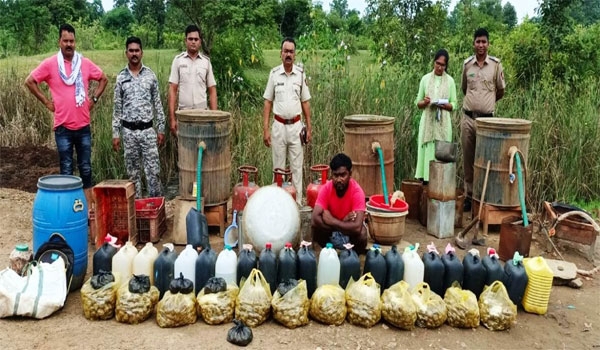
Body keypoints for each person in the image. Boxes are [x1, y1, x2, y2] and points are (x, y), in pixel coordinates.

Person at [25, 23, 108, 207]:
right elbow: (30, 81)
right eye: (65, 41)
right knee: (67, 172)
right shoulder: (50, 64)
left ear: (75, 42)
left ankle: (87, 212)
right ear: (59, 42)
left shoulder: (84, 63)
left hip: (83, 126)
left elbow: (103, 78)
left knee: (86, 169)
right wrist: (46, 102)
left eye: (71, 41)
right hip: (63, 128)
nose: (69, 44)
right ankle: (69, 211)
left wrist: (93, 99)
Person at [461, 28, 505, 245]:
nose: (480, 45)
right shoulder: (467, 65)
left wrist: (487, 106)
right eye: (477, 41)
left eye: (484, 42)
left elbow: (501, 90)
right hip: (468, 119)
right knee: (468, 158)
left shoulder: (495, 66)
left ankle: (483, 199)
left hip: (487, 121)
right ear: (473, 43)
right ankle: (469, 197)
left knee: (486, 161)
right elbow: (464, 89)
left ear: (488, 44)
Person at [112, 36, 166, 198]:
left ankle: (156, 211)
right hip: (129, 133)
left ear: (142, 53)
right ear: (126, 53)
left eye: (137, 50)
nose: (134, 54)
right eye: (131, 51)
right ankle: (136, 213)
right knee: (133, 175)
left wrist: (161, 128)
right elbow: (117, 108)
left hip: (148, 131)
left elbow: (157, 104)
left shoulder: (150, 76)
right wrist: (116, 133)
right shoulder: (121, 77)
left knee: (153, 173)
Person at [263, 37, 312, 206]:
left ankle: (297, 204)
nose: (288, 54)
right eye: (286, 51)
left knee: (297, 168)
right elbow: (268, 101)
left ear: (295, 54)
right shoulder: (274, 74)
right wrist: (265, 129)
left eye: (291, 51)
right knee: (278, 168)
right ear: (281, 54)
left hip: (296, 127)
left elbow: (305, 102)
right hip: (278, 126)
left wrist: (309, 128)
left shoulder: (300, 75)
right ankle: (278, 204)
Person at [414, 49, 457, 183]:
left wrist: (445, 105)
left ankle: (440, 184)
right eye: (437, 63)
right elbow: (418, 103)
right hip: (428, 123)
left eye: (443, 65)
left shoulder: (450, 81)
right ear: (434, 62)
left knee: (441, 153)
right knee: (427, 152)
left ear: (446, 66)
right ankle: (425, 181)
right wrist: (425, 102)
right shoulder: (425, 79)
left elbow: (454, 104)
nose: (439, 67)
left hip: (443, 124)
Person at [311, 153, 368, 254]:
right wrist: (343, 223)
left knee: (362, 234)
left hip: (349, 235)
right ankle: (330, 253)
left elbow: (357, 227)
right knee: (316, 229)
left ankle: (352, 257)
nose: (339, 179)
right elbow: (315, 219)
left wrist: (332, 221)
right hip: (334, 232)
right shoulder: (326, 188)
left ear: (350, 174)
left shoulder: (357, 192)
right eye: (335, 175)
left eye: (343, 175)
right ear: (331, 174)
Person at [168, 24, 217, 135]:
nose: (193, 42)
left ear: (200, 41)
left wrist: (214, 117)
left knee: (202, 149)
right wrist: (172, 118)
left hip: (202, 115)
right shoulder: (178, 60)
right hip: (184, 115)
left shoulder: (206, 62)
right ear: (185, 40)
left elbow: (212, 90)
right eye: (190, 39)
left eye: (196, 39)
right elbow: (172, 90)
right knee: (184, 151)